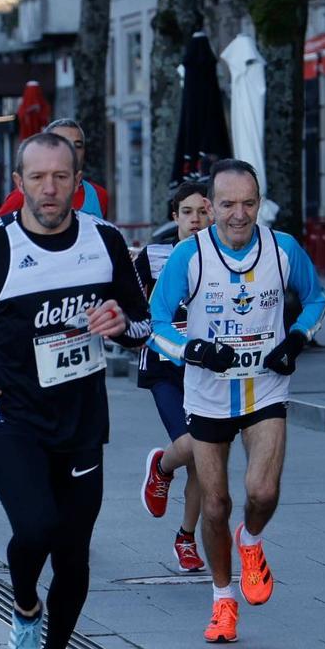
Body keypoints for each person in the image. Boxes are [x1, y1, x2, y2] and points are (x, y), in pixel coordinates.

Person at [0, 131, 151, 649]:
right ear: (18, 183)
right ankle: (25, 609)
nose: (49, 189)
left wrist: (119, 321)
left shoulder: (104, 241)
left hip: (82, 419)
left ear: (77, 182)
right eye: (38, 178)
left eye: (61, 177)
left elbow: (143, 321)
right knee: (35, 527)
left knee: (74, 555)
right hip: (14, 413)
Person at [149, 161, 325, 643]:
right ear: (211, 206)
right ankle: (223, 600)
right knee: (215, 504)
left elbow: (316, 299)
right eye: (227, 204)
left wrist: (296, 339)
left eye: (249, 203)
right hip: (208, 395)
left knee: (263, 492)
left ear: (259, 201)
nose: (239, 214)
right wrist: (194, 349)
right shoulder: (190, 255)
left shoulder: (282, 248)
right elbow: (158, 321)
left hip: (266, 387)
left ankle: (250, 539)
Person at [136, 181, 212, 571]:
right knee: (195, 443)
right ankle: (163, 466)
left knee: (204, 458)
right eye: (187, 212)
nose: (195, 220)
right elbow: (134, 307)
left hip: (208, 366)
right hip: (165, 364)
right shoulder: (152, 256)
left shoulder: (223, 254)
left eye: (202, 211)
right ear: (174, 217)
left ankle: (186, 537)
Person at [0, 118, 110, 219]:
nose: (71, 150)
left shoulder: (99, 195)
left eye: (78, 145)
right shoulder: (26, 195)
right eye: (62, 143)